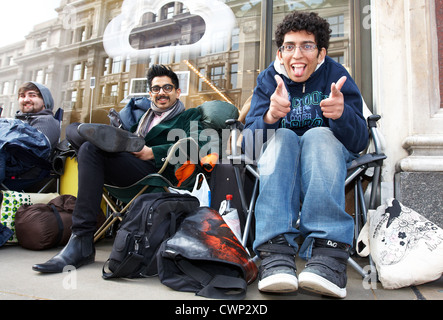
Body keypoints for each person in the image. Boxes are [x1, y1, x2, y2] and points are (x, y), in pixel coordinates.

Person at [244, 11, 369, 298]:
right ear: (280, 52)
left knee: (318, 134)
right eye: (289, 46)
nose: (297, 54)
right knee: (284, 137)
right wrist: (269, 118)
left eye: (307, 46)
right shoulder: (268, 80)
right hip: (281, 158)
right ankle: (275, 252)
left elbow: (360, 140)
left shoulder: (336, 76)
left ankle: (329, 255)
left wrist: (341, 115)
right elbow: (248, 146)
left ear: (321, 52)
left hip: (325, 156)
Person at [32, 65, 202, 273]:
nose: (161, 93)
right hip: (129, 167)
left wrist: (153, 152)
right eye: (156, 89)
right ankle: (81, 239)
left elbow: (195, 146)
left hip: (156, 174)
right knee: (85, 144)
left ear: (177, 91)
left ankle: (82, 242)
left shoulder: (189, 116)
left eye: (167, 87)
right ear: (150, 94)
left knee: (89, 146)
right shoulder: (142, 119)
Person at [0, 82, 60, 185]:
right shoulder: (14, 122)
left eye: (32, 95)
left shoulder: (46, 121)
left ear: (45, 101)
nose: (26, 99)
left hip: (25, 176)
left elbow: (36, 149)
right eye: (22, 96)